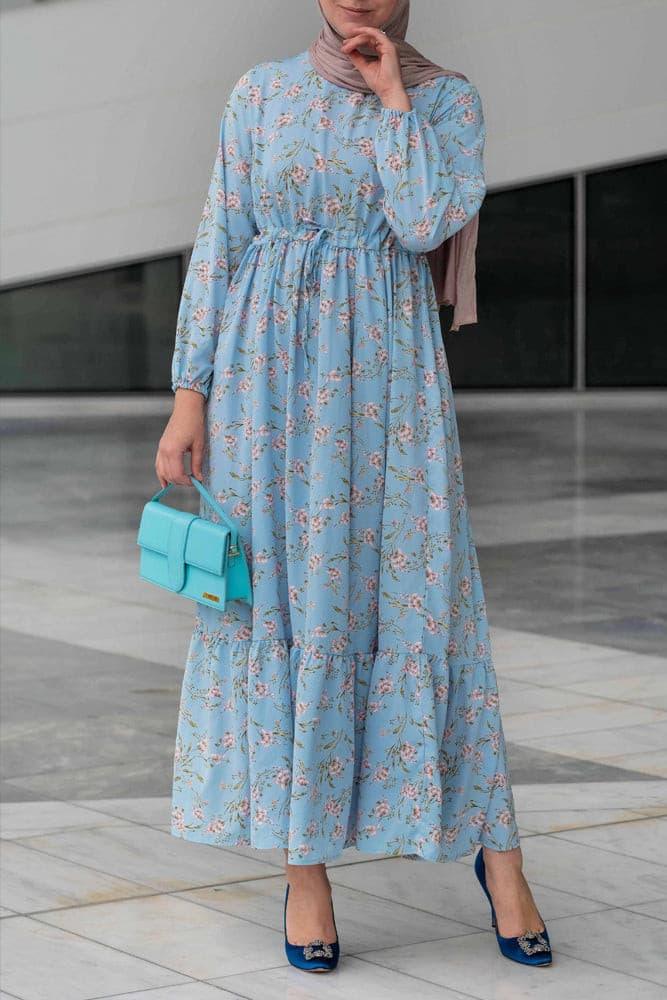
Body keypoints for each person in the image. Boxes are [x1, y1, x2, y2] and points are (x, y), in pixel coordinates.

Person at [155, 0, 552, 974]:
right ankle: (305, 872)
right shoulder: (260, 95)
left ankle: (497, 855)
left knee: (433, 604)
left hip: (389, 387)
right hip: (266, 391)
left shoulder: (445, 103)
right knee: (291, 608)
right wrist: (188, 394)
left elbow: (426, 222)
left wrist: (387, 98)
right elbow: (222, 239)